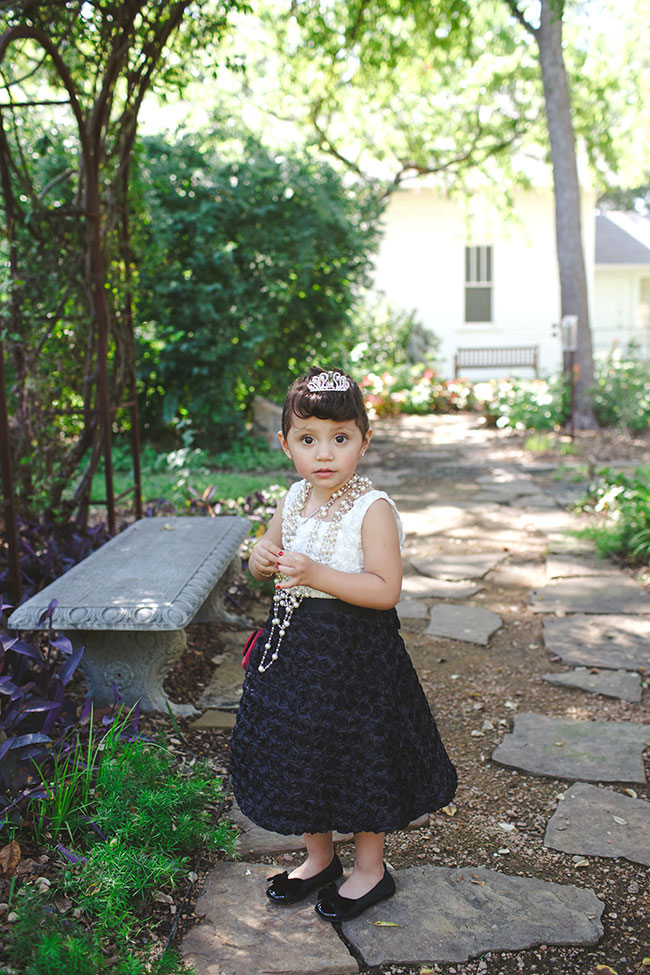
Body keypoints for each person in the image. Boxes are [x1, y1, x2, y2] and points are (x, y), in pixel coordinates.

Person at [229, 366, 458, 922]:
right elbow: (271, 549)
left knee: (361, 754)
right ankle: (319, 858)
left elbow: (385, 589)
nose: (324, 453)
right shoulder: (294, 496)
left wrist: (318, 574)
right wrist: (260, 557)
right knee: (302, 752)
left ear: (363, 440)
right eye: (308, 440)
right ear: (286, 445)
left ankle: (369, 870)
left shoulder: (371, 507)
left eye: (340, 438)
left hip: (357, 657)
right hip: (297, 652)